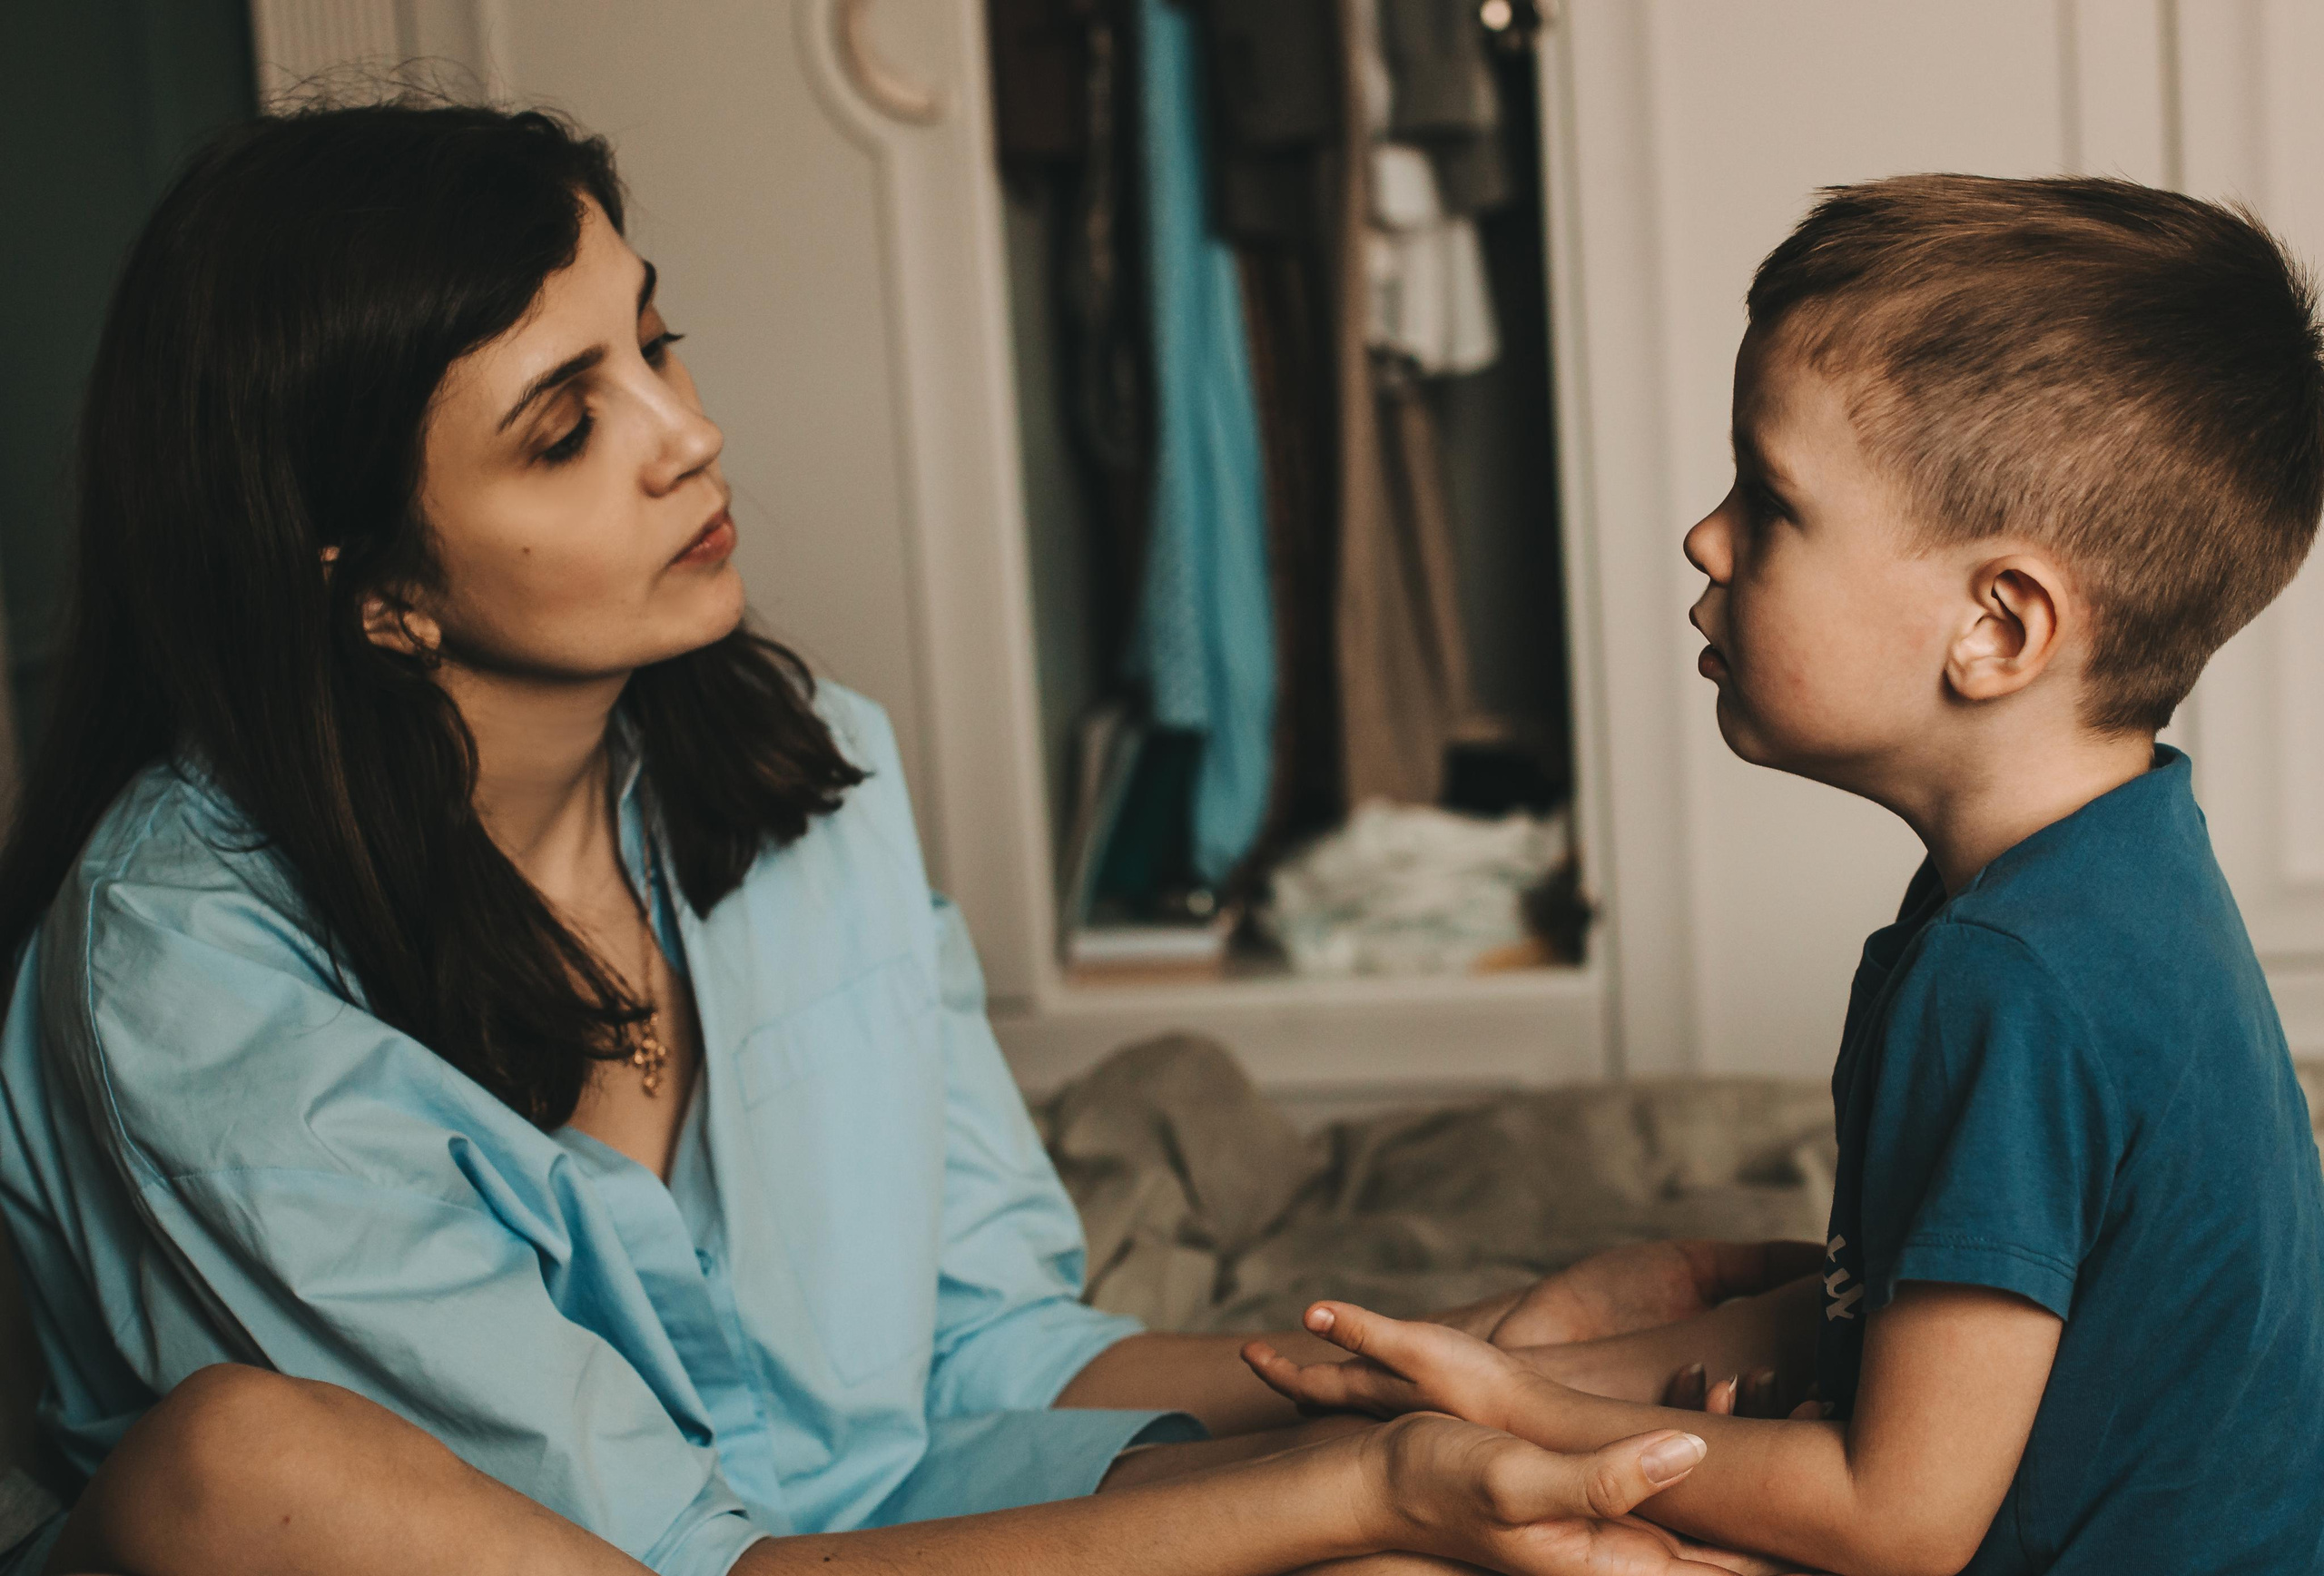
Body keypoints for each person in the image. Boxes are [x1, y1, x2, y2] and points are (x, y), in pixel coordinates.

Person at [0, 98, 1804, 1576]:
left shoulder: (807, 771)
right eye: (565, 429)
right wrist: (1374, 1476)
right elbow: (681, 1556)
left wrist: (1468, 1360)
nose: (690, 436)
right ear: (377, 589)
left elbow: (972, 1355)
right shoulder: (193, 975)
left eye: (655, 343)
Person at [1242, 174, 2324, 1574]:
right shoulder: (2113, 870)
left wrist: (1518, 1409)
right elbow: (1934, 1322)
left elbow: (1899, 1519)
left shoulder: (2017, 981)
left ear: (1997, 628)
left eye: (1770, 501)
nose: (1706, 538)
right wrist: (1590, 1361)